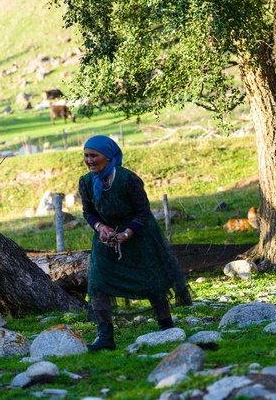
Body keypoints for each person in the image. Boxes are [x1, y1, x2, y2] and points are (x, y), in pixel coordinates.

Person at [79, 135, 192, 352]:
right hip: (106, 239)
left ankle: (166, 325)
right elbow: (88, 212)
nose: (89, 160)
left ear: (108, 156)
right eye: (86, 156)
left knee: (152, 280)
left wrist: (128, 233)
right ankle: (105, 336)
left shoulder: (129, 179)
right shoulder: (85, 182)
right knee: (98, 283)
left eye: (94, 155)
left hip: (139, 235)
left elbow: (143, 212)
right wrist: (100, 228)